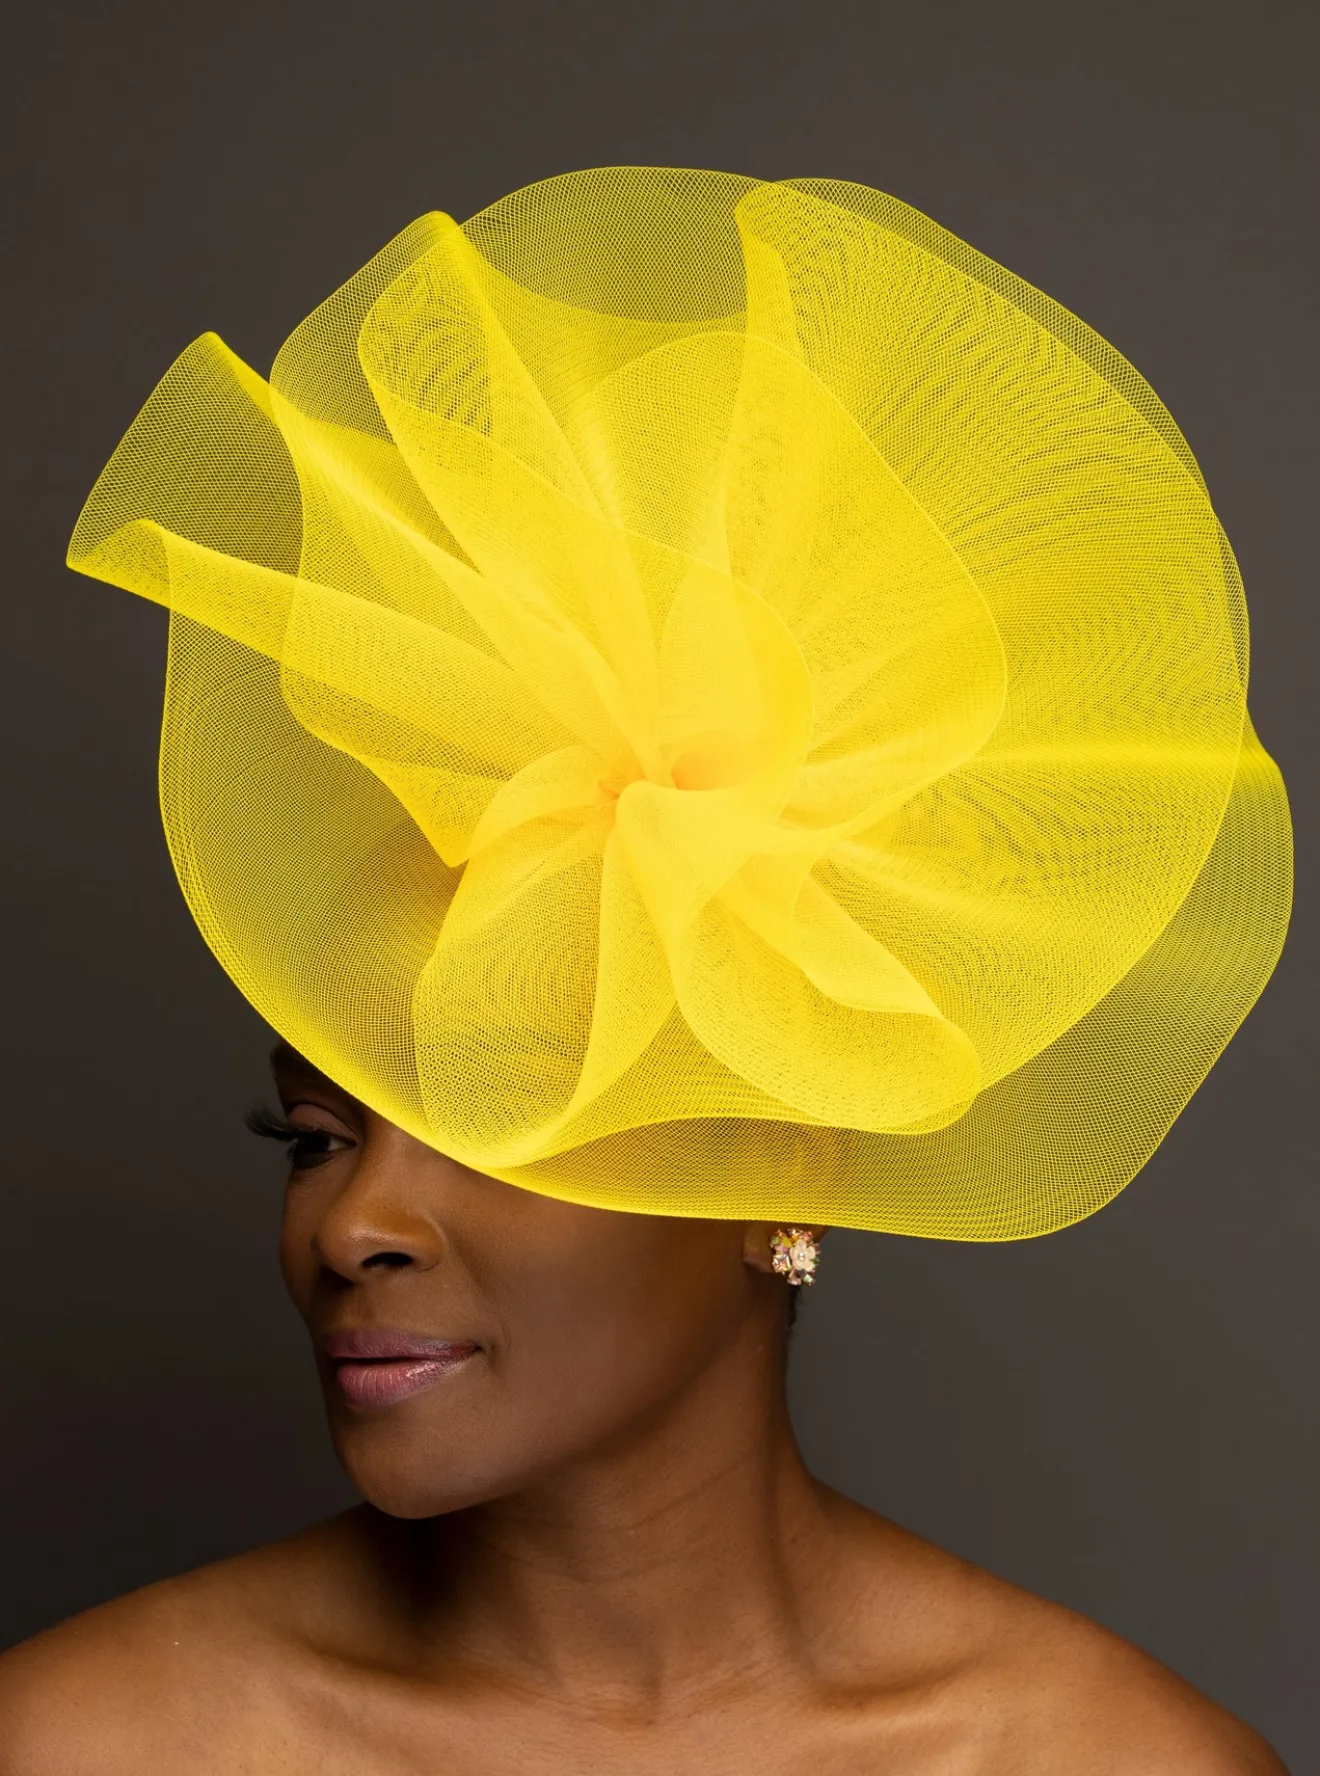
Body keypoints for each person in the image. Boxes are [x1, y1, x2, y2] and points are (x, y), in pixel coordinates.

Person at [0, 169, 1292, 1772]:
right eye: (316, 1136)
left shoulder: (1108, 1761)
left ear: (786, 1152)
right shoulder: (84, 1742)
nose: (350, 1226)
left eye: (498, 1096)